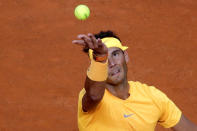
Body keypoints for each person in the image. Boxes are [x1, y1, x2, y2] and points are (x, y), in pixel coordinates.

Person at [72, 31, 197, 131]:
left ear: (125, 56)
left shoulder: (152, 96)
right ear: (95, 68)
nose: (112, 64)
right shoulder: (90, 97)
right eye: (105, 60)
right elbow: (93, 96)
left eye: (115, 54)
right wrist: (100, 58)